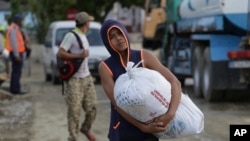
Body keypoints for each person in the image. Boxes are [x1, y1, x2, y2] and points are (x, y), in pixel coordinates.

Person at [98, 19, 182, 141]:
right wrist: (142, 127)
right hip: (123, 132)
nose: (119, 38)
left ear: (125, 33)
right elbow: (118, 105)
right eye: (112, 37)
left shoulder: (143, 57)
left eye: (120, 33)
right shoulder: (106, 67)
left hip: (150, 132)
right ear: (107, 42)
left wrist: (170, 114)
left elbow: (175, 82)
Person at [57, 11, 97, 141]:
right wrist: (79, 55)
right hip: (74, 79)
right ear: (86, 23)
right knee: (74, 111)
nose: (90, 23)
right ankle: (73, 137)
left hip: (87, 77)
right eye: (89, 21)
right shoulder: (71, 36)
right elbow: (60, 53)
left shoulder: (83, 35)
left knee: (93, 107)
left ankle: (85, 128)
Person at [6, 14, 27, 95]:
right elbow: (14, 43)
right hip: (16, 54)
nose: (21, 21)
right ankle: (15, 89)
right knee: (16, 72)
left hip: (17, 53)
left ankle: (14, 88)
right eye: (20, 20)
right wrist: (17, 55)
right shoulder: (13, 29)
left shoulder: (16, 28)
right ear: (17, 20)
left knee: (16, 71)